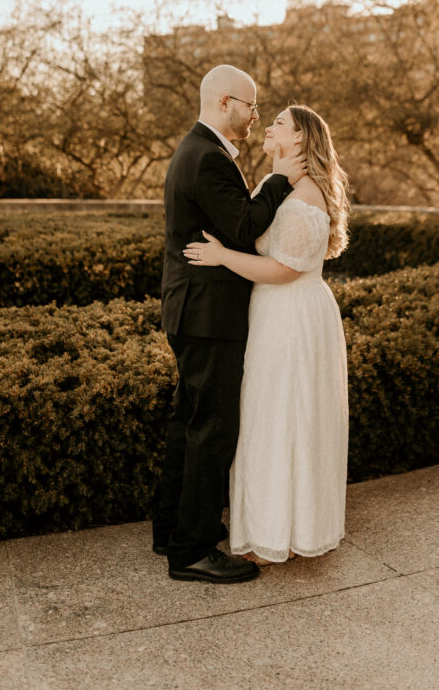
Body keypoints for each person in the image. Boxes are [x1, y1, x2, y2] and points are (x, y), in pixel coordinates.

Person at [152, 65, 307, 584]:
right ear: (224, 102)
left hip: (193, 310)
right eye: (250, 105)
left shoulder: (197, 151)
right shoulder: (208, 158)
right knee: (212, 428)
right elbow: (242, 227)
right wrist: (282, 180)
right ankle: (192, 551)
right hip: (208, 315)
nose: (254, 116)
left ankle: (171, 530)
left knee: (188, 422)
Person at [184, 104, 350, 565]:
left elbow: (281, 270)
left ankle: (282, 531)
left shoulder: (304, 198)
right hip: (274, 313)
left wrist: (221, 258)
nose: (268, 125)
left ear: (299, 139)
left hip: (293, 315)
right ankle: (269, 523)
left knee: (283, 417)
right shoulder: (281, 186)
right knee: (267, 414)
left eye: (278, 121)